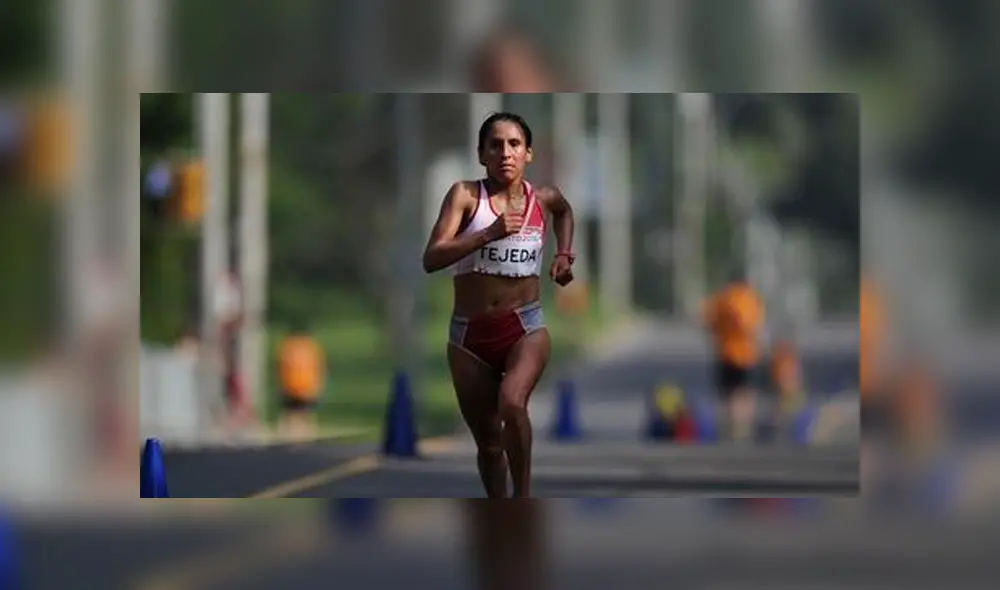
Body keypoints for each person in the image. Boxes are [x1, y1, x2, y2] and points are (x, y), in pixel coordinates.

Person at [422, 112, 575, 498]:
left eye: (514, 145)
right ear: (481, 154)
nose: (505, 153)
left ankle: (522, 499)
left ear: (528, 154)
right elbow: (432, 258)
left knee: (512, 405)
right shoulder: (465, 197)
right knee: (489, 446)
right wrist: (487, 234)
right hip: (468, 337)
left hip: (524, 326)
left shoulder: (544, 198)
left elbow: (564, 211)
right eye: (495, 145)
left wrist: (564, 254)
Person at [702, 272, 766, 442]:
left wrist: (719, 336)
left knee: (729, 393)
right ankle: (744, 426)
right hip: (747, 355)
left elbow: (708, 323)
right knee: (745, 391)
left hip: (726, 353)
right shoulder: (750, 299)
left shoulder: (722, 299)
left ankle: (731, 426)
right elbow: (755, 327)